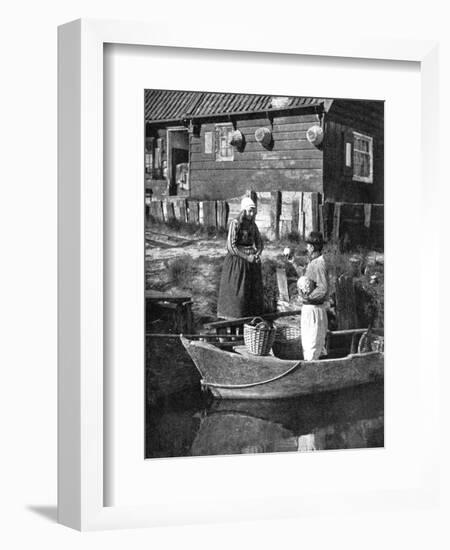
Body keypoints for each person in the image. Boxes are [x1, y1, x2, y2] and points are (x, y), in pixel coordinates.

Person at [217, 197, 264, 319]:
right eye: (249, 211)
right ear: (243, 210)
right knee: (237, 294)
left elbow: (259, 243)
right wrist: (246, 257)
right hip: (237, 262)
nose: (252, 213)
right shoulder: (235, 223)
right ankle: (232, 322)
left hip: (251, 263)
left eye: (254, 211)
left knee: (251, 295)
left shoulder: (253, 225)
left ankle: (248, 325)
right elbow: (231, 246)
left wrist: (257, 254)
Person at [298, 231, 329, 361]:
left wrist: (308, 298)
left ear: (312, 247)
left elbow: (323, 289)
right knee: (310, 345)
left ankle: (312, 373)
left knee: (312, 345)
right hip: (312, 310)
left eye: (308, 246)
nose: (307, 248)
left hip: (314, 310)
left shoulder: (318, 264)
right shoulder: (314, 263)